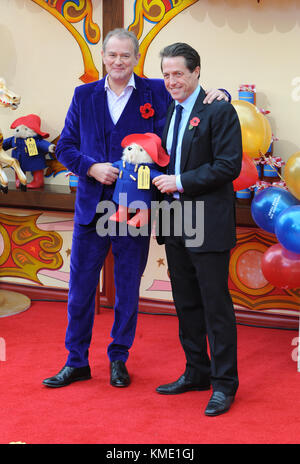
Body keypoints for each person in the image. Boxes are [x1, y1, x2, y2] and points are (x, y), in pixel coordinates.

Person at [42, 29, 230, 389]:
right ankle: (76, 360)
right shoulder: (84, 96)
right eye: (112, 55)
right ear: (103, 57)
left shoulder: (156, 91)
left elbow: (191, 102)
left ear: (136, 58)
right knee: (80, 288)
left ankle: (118, 358)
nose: (118, 62)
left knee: (127, 288)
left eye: (125, 56)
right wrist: (90, 167)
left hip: (135, 208)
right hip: (92, 207)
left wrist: (220, 95)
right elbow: (64, 146)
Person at [153, 42, 242, 416]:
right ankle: (196, 371)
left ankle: (224, 384)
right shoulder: (168, 111)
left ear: (196, 71)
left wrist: (179, 182)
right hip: (174, 221)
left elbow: (228, 167)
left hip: (207, 221)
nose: (172, 81)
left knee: (214, 305)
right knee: (186, 303)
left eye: (178, 74)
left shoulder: (219, 110)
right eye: (167, 74)